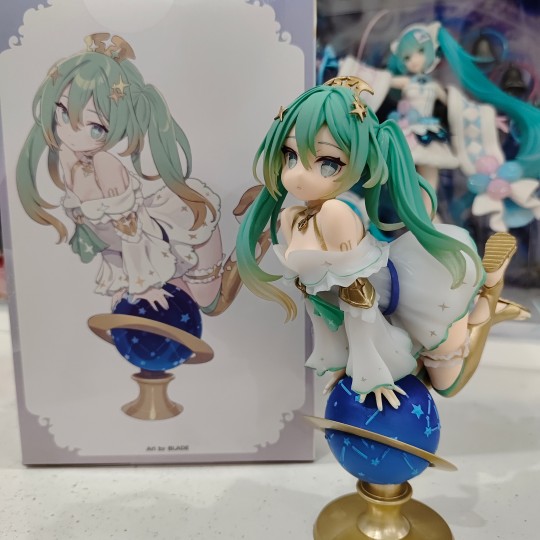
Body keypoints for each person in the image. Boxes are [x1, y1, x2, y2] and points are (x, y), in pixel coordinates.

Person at [237, 77, 528, 410]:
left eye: (328, 163)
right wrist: (347, 362)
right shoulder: (291, 218)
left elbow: (358, 301)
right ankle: (481, 296)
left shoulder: (335, 214)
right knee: (424, 373)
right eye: (290, 155)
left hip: (413, 294)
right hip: (382, 313)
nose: (298, 174)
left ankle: (489, 296)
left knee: (447, 384)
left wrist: (370, 372)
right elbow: (321, 300)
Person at [16, 33, 264, 315]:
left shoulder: (105, 165)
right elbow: (104, 239)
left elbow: (130, 232)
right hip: (144, 252)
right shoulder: (67, 157)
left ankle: (255, 233)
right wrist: (123, 281)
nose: (72, 133)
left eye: (95, 128)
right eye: (63, 112)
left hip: (182, 233)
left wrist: (142, 284)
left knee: (210, 304)